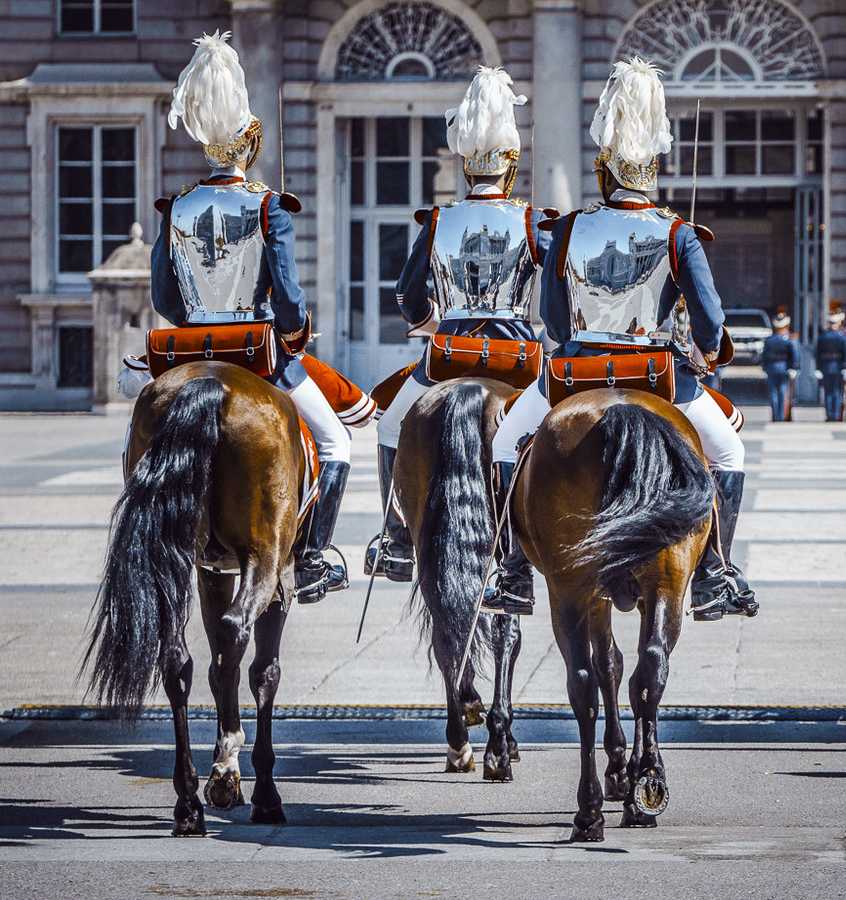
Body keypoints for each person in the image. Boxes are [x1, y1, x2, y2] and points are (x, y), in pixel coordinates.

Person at [490, 57, 757, 622]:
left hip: (575, 374)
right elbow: (709, 318)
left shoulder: (567, 228)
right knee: (729, 452)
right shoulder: (678, 232)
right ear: (653, 168)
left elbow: (554, 320)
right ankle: (714, 571)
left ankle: (510, 568)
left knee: (503, 446)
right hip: (659, 375)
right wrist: (705, 354)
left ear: (602, 170)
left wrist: (578, 339)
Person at [149, 30, 352, 605]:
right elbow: (287, 298)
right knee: (335, 445)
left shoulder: (176, 207)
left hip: (186, 351)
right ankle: (311, 558)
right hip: (258, 353)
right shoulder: (268, 206)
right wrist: (297, 332)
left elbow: (166, 298)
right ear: (251, 145)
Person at [368, 65, 551, 584]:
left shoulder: (440, 220)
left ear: (465, 168)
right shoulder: (533, 220)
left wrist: (431, 324)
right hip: (520, 356)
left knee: (387, 428)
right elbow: (557, 297)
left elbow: (405, 294)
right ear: (510, 168)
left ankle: (398, 541)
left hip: (447, 354)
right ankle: (521, 548)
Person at [814, 300, 846, 421]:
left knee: (828, 393)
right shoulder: (843, 336)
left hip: (826, 367)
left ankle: (829, 415)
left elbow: (818, 353)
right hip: (839, 367)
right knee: (837, 393)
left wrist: (818, 367)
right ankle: (836, 415)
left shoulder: (823, 335)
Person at [760, 305, 801, 422]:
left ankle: (775, 416)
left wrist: (764, 368)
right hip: (784, 368)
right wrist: (795, 367)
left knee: (773, 393)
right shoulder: (790, 338)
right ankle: (782, 416)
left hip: (771, 368)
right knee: (783, 393)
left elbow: (764, 355)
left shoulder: (770, 339)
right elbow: (795, 354)